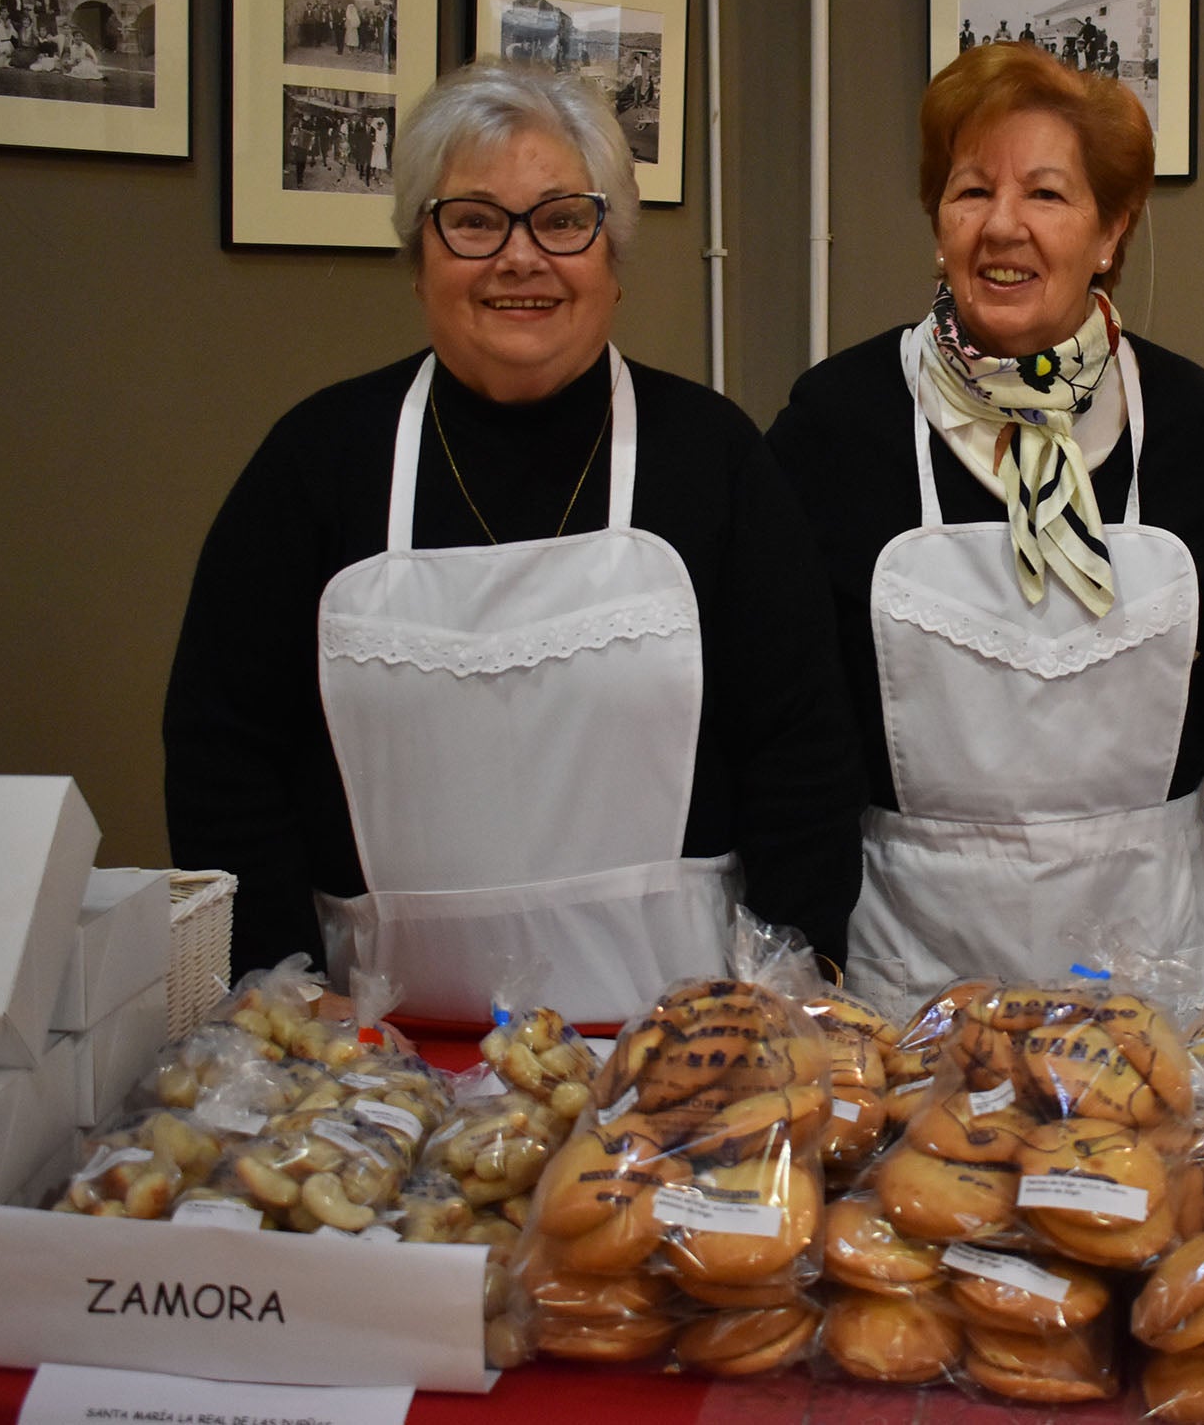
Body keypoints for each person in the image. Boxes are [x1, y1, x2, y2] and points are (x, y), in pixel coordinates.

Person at [165, 61, 864, 1022]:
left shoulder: (713, 460)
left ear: (612, 256)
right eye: (475, 220)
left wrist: (787, 988)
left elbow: (804, 755)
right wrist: (284, 987)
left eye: (562, 219)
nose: (520, 257)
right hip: (374, 1051)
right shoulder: (318, 461)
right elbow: (223, 753)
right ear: (420, 254)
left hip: (678, 1041)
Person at [767, 41, 1204, 1017]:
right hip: (915, 963)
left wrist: (1117, 814)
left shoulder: (1184, 416)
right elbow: (786, 695)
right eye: (969, 192)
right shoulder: (839, 419)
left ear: (1111, 229)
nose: (1003, 227)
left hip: (1148, 955)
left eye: (1046, 194)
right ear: (936, 219)